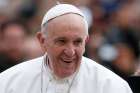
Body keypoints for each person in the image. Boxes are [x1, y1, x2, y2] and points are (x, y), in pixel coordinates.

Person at [0, 4, 133, 93]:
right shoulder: (8, 82)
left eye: (77, 42)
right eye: (61, 41)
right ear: (42, 40)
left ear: (86, 42)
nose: (70, 51)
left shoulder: (111, 86)